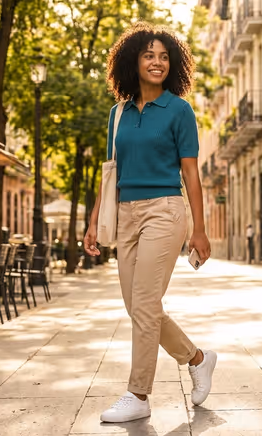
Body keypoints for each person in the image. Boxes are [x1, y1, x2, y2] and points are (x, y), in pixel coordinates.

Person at [83, 22, 216, 424]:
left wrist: (199, 228)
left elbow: (191, 173)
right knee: (138, 306)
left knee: (143, 304)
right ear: (133, 61)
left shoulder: (179, 110)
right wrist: (93, 222)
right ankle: (197, 358)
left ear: (172, 65)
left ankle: (138, 393)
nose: (157, 62)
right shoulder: (117, 114)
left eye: (164, 56)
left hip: (166, 209)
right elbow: (111, 172)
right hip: (126, 212)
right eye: (149, 55)